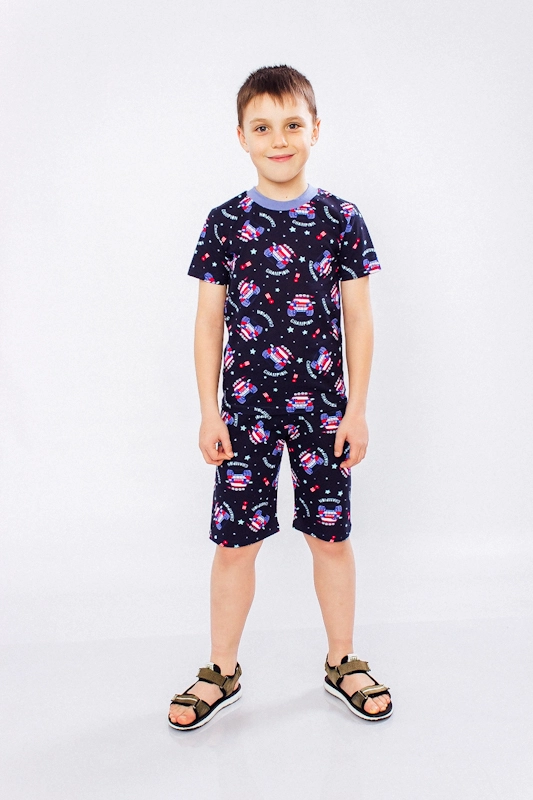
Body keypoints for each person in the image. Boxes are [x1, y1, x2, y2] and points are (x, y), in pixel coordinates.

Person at [168, 65, 393, 730]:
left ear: (314, 129)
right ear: (241, 136)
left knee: (330, 538)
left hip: (324, 411)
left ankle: (343, 660)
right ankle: (220, 669)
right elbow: (208, 321)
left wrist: (356, 410)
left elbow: (358, 319)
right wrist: (209, 411)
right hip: (244, 415)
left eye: (292, 125)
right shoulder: (225, 223)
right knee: (235, 544)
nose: (279, 140)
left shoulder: (340, 219)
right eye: (262, 128)